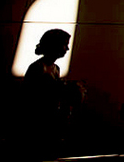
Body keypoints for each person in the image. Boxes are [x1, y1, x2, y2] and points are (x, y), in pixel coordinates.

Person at [21, 28, 80, 161]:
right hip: (37, 124)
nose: (67, 49)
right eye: (65, 44)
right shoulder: (37, 68)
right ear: (55, 45)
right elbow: (31, 97)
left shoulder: (55, 68)